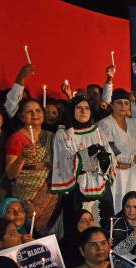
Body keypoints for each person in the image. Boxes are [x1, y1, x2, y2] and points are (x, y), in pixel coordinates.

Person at [52, 95, 116, 230]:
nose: (83, 111)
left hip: (101, 186)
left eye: (87, 108)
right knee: (78, 230)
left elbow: (112, 159)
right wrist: (86, 154)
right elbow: (64, 163)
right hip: (77, 191)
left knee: (103, 227)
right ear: (71, 111)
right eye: (79, 108)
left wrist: (105, 160)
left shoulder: (98, 131)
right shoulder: (63, 134)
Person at [5, 98, 58, 234]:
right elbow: (11, 173)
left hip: (51, 192)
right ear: (22, 117)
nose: (35, 114)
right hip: (27, 193)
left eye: (38, 110)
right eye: (29, 112)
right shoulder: (16, 138)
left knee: (53, 231)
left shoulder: (51, 136)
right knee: (31, 232)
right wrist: (23, 156)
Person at [98, 89, 136, 214]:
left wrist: (131, 161)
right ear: (112, 105)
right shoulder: (105, 124)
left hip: (133, 171)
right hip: (116, 171)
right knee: (117, 204)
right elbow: (111, 149)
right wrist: (132, 159)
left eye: (126, 103)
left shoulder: (134, 122)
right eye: (119, 102)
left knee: (133, 204)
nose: (123, 106)